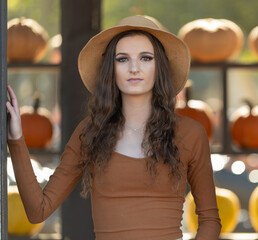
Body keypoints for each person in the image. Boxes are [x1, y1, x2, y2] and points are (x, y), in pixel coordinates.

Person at [6, 15, 221, 240]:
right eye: (122, 59)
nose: (134, 68)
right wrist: (17, 139)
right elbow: (38, 210)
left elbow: (210, 221)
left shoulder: (190, 133)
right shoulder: (90, 132)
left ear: (160, 68)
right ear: (111, 68)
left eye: (146, 58)